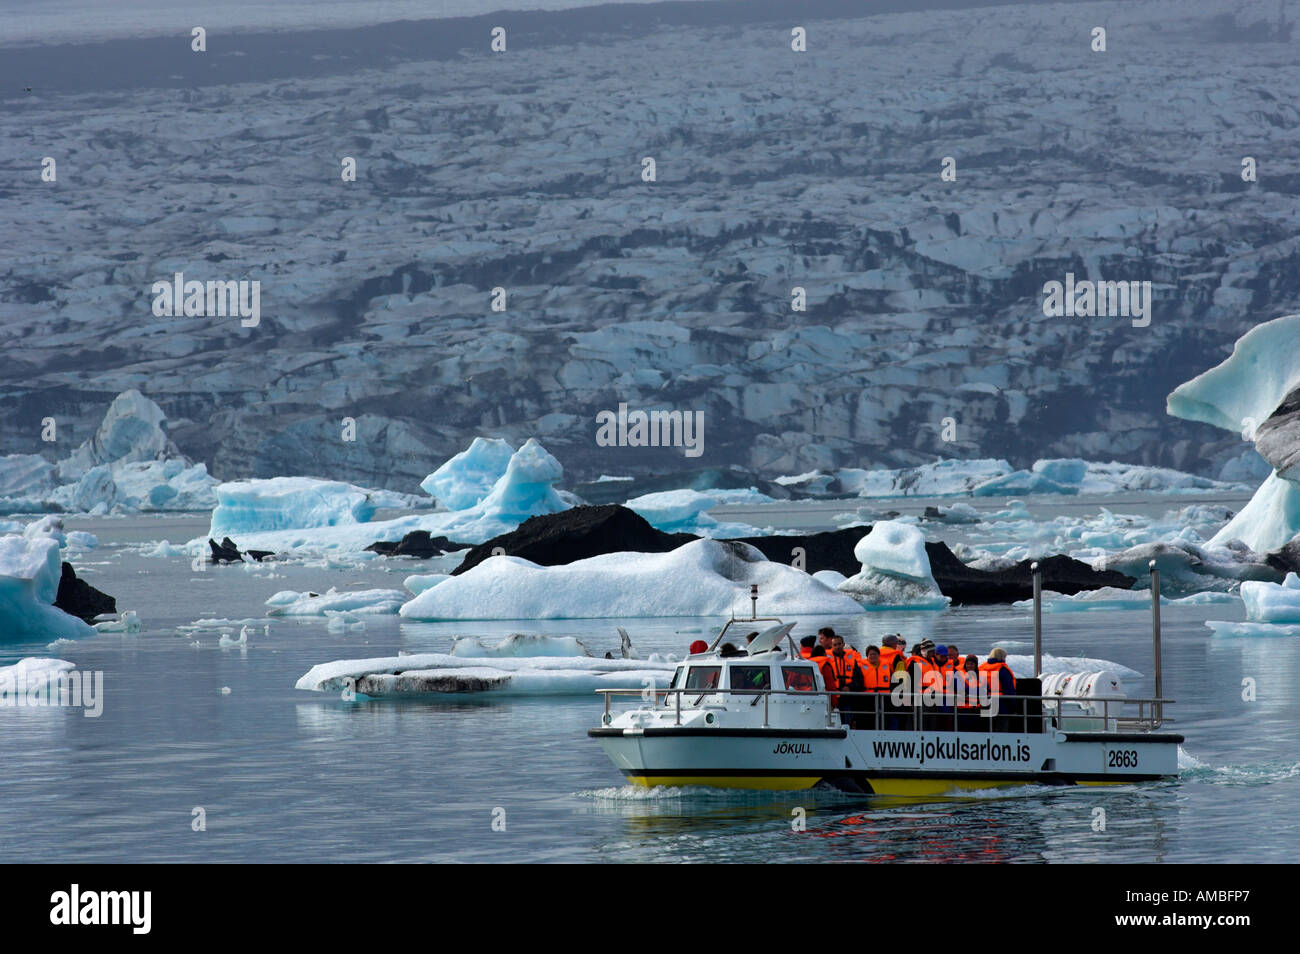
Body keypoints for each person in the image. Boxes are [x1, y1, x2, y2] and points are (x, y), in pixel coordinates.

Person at [820, 635, 863, 718]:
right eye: (835, 645)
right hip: (833, 695)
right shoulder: (826, 660)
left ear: (843, 644)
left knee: (848, 718)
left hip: (848, 695)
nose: (837, 647)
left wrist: (849, 687)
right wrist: (838, 688)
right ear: (831, 646)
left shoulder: (851, 660)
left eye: (839, 644)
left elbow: (859, 679)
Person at [979, 647, 1017, 731]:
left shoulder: (982, 668)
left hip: (985, 703)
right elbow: (1009, 690)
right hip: (1001, 704)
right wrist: (1013, 708)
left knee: (987, 729)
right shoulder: (1002, 669)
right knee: (1001, 729)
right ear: (1002, 657)